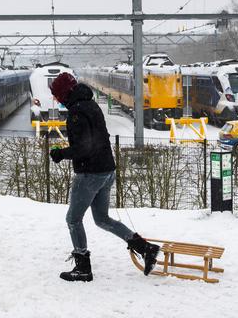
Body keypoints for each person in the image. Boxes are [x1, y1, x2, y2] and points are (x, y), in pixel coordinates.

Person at [48, 73, 159, 282]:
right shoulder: (91, 105)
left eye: (56, 95)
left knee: (73, 219)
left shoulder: (76, 113)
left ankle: (83, 267)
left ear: (64, 93)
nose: (56, 99)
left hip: (90, 174)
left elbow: (84, 147)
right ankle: (145, 248)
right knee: (102, 219)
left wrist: (60, 153)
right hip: (107, 170)